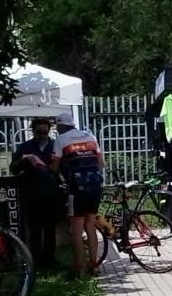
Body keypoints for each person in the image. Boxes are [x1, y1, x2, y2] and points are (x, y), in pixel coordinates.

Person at [49, 112, 106, 277]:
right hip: (95, 187)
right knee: (90, 226)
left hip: (77, 190)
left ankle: (77, 269)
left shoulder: (61, 139)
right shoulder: (90, 136)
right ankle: (94, 265)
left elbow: (54, 167)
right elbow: (101, 163)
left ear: (61, 126)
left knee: (76, 231)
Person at [11, 118, 61, 270]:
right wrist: (24, 161)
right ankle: (36, 261)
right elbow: (13, 168)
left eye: (45, 132)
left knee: (50, 229)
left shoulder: (55, 146)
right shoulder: (25, 147)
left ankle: (50, 260)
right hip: (32, 193)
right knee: (34, 230)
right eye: (39, 132)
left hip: (52, 193)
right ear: (33, 131)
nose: (42, 136)